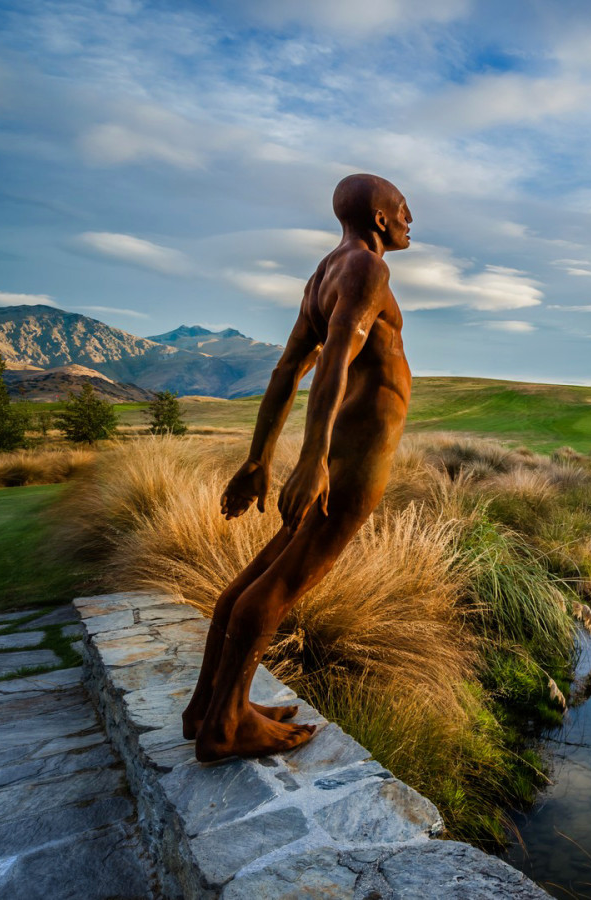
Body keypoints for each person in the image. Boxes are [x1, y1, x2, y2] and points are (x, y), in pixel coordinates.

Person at [179, 173, 413, 761]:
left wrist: (258, 459)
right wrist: (311, 462)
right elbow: (331, 362)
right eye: (405, 211)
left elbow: (287, 371)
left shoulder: (325, 273)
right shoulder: (367, 269)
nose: (412, 221)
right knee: (283, 582)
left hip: (337, 456)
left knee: (262, 574)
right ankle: (227, 727)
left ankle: (210, 704)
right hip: (354, 461)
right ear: (380, 219)